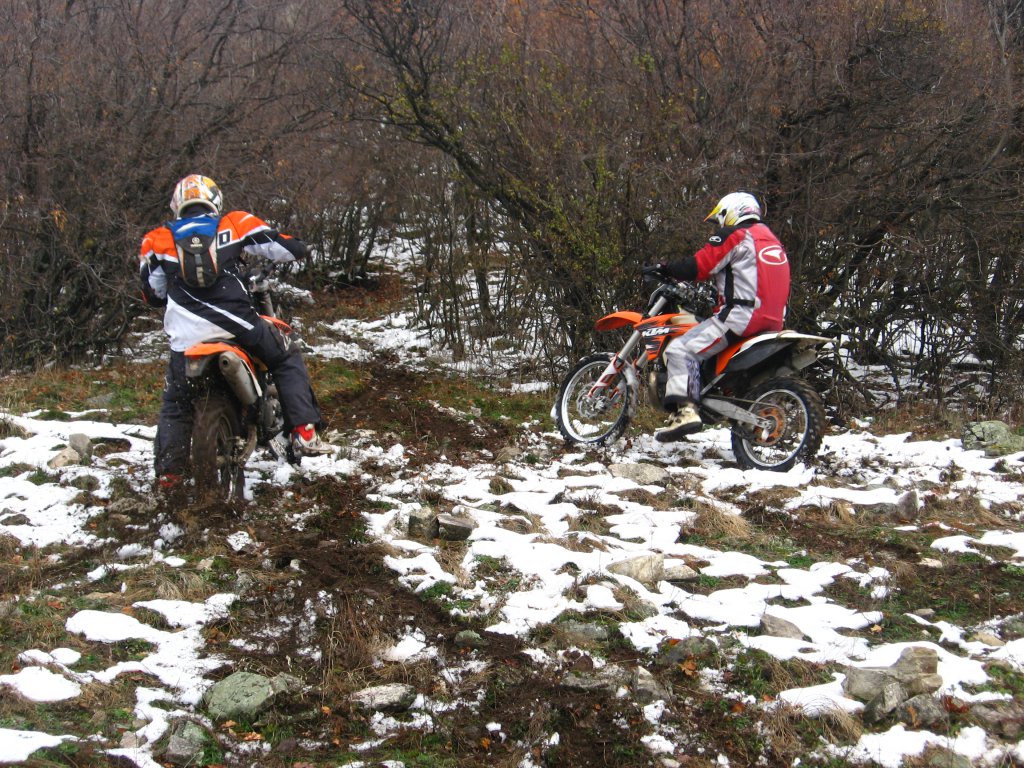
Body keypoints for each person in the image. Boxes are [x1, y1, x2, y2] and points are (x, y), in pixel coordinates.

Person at [139, 174, 333, 487]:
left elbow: (152, 294)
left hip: (186, 339)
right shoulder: (235, 223)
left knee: (176, 402)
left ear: (177, 204)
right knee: (285, 355)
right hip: (237, 326)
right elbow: (284, 248)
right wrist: (300, 246)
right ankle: (304, 432)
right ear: (214, 200)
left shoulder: (156, 240)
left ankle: (169, 474)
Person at [643, 191, 790, 443]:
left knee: (680, 350)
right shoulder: (772, 240)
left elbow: (700, 266)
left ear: (730, 212)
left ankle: (686, 412)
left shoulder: (734, 235)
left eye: (721, 218)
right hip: (773, 321)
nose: (720, 224)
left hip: (741, 317)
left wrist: (666, 268)